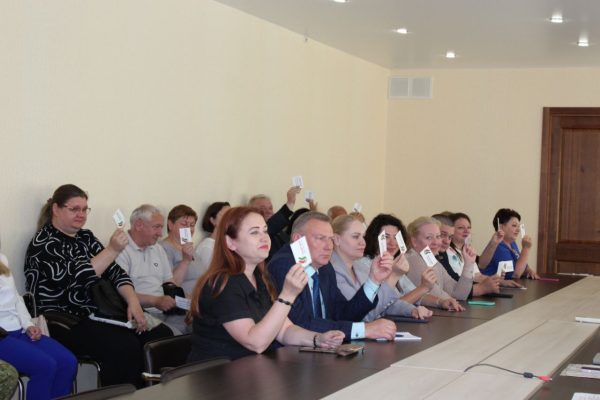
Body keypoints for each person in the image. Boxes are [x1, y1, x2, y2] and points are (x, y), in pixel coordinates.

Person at [25, 184, 173, 387]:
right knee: (124, 345)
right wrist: (112, 250)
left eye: (84, 209)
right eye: (74, 209)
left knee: (160, 336)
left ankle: (154, 393)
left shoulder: (85, 237)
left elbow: (116, 273)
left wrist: (133, 303)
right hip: (63, 318)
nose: (81, 214)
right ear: (56, 209)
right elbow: (74, 279)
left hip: (99, 313)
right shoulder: (44, 242)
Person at [187, 207, 344, 361]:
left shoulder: (261, 277)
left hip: (251, 368)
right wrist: (288, 295)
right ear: (230, 242)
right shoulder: (222, 283)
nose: (265, 238)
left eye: (265, 231)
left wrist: (318, 339)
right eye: (254, 232)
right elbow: (255, 343)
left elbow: (284, 330)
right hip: (217, 373)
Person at [268, 211, 397, 341]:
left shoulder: (325, 267)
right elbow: (301, 323)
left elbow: (343, 313)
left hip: (323, 346)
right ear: (297, 239)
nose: (329, 246)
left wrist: (374, 280)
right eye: (320, 238)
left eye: (330, 239)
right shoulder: (284, 265)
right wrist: (364, 330)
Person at [0, 253, 77, 400]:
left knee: (67, 362)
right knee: (45, 366)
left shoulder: (2, 258)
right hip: (1, 336)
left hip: (18, 331)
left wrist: (28, 324)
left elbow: (16, 298)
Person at [331, 214, 432, 320]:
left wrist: (412, 310)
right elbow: (363, 315)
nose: (363, 242)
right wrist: (393, 277)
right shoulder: (332, 271)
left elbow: (385, 304)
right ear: (337, 239)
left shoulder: (359, 267)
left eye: (363, 237)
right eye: (355, 236)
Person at [357, 214, 458, 312]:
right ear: (374, 238)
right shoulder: (364, 265)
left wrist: (440, 302)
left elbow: (415, 295)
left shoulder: (395, 262)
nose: (392, 243)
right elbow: (387, 307)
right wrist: (424, 287)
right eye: (386, 237)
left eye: (396, 237)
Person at [116, 204, 187, 334]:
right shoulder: (120, 249)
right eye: (156, 227)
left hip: (166, 311)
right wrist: (155, 301)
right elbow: (120, 294)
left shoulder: (157, 249)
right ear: (139, 225)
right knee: (177, 337)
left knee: (202, 326)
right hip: (140, 313)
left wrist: (184, 303)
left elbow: (169, 282)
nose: (160, 234)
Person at [404, 216, 468, 310]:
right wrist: (447, 300)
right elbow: (440, 296)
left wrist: (469, 264)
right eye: (429, 237)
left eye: (438, 236)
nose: (436, 242)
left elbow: (459, 294)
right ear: (414, 241)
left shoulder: (430, 258)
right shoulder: (412, 259)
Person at [432, 214, 501, 296]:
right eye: (461, 228)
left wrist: (495, 281)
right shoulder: (443, 252)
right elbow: (454, 286)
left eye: (469, 227)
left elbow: (451, 284)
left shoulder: (445, 253)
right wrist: (481, 288)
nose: (446, 241)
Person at [448, 212, 521, 288]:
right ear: (451, 230)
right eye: (461, 228)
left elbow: (477, 276)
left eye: (469, 227)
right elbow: (460, 281)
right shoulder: (448, 252)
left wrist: (502, 282)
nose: (466, 231)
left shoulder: (467, 250)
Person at [481, 208, 539, 279]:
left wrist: (529, 270)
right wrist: (526, 248)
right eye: (514, 225)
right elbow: (515, 274)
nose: (518, 230)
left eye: (518, 226)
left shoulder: (512, 243)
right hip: (493, 285)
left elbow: (522, 263)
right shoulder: (498, 246)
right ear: (501, 227)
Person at [248, 187, 300, 260]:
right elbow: (271, 226)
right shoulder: (254, 232)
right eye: (262, 208)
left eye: (270, 208)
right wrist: (290, 203)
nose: (268, 211)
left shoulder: (280, 232)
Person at [191, 202, 231, 294]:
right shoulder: (207, 247)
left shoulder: (228, 244)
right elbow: (208, 278)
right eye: (225, 215)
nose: (229, 218)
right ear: (213, 220)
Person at [159, 204, 198, 291]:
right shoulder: (163, 249)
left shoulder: (189, 246)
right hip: (183, 298)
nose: (188, 229)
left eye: (192, 225)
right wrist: (185, 261)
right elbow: (170, 285)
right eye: (184, 224)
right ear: (170, 225)